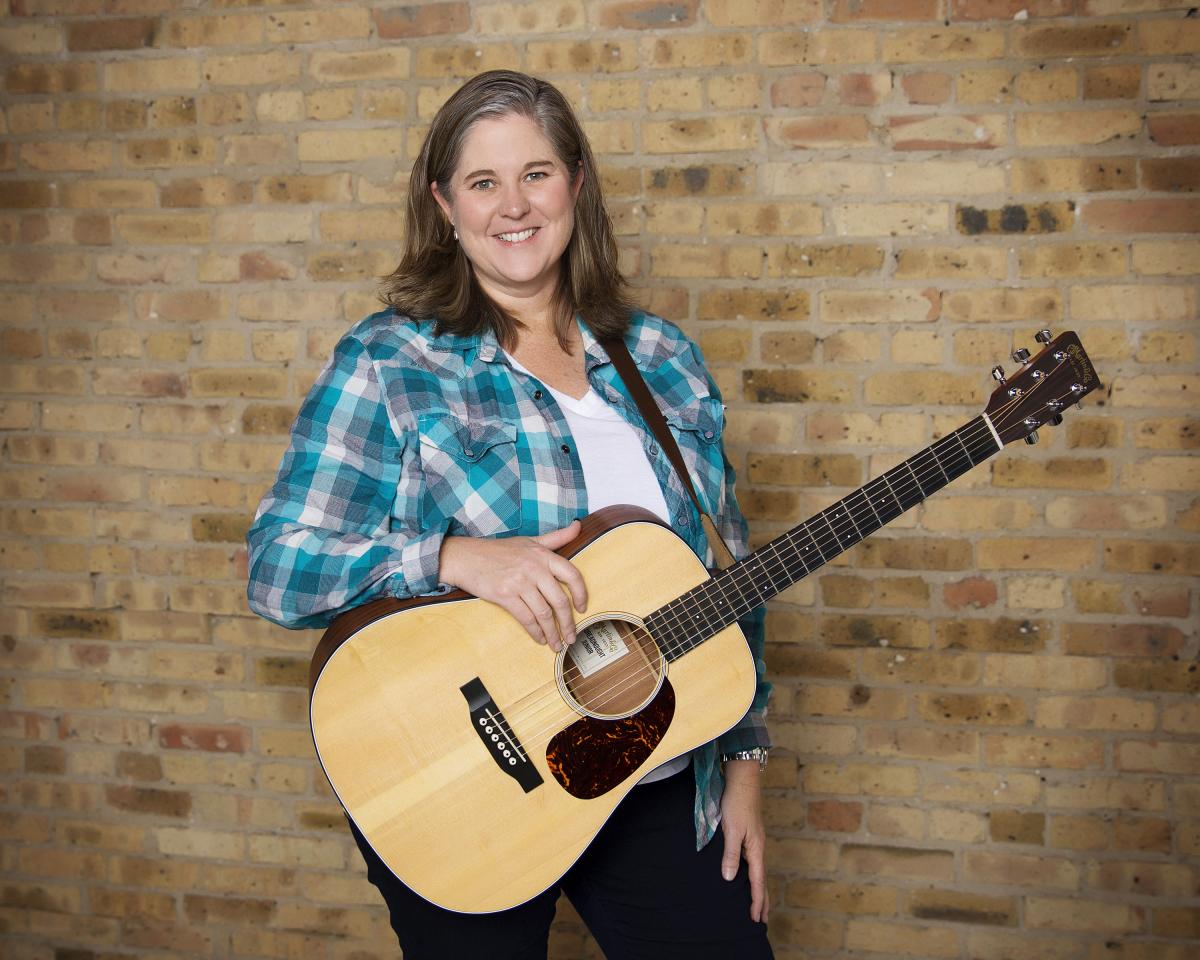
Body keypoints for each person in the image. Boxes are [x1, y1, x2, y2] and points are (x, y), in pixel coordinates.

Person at [246, 69, 772, 960]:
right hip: (465, 786)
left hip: (657, 778)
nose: (513, 206)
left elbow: (731, 582)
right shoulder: (391, 360)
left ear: (576, 183)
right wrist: (453, 557)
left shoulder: (664, 359)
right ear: (445, 205)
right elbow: (275, 567)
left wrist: (747, 764)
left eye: (536, 173)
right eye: (483, 182)